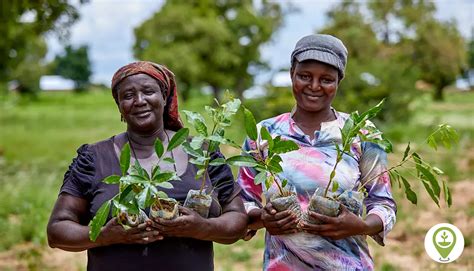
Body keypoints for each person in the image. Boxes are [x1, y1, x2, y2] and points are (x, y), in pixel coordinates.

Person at [47, 61, 248, 271]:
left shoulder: (202, 153)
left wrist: (201, 228)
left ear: (164, 97)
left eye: (148, 91)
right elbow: (57, 231)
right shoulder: (94, 158)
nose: (139, 101)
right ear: (119, 106)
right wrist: (105, 235)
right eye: (128, 95)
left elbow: (237, 221)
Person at [238, 34, 397, 270]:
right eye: (304, 76)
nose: (314, 87)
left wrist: (360, 226)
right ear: (292, 73)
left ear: (338, 82)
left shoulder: (360, 133)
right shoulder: (264, 134)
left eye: (326, 79)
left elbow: (384, 205)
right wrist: (264, 219)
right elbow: (242, 203)